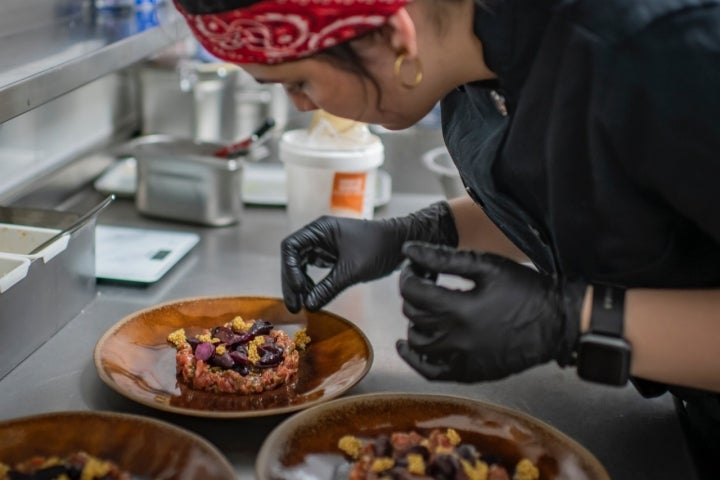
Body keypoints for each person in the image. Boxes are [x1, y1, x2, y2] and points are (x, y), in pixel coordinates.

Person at [173, 0, 720, 474]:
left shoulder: (662, 53)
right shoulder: (464, 52)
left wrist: (567, 322)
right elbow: (587, 193)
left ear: (394, 35)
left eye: (299, 80)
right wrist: (414, 234)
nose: (300, 105)